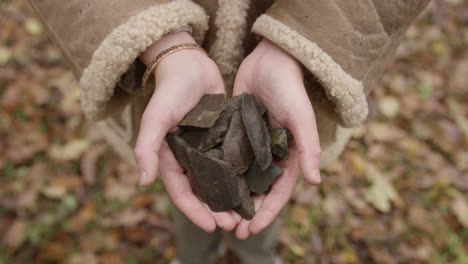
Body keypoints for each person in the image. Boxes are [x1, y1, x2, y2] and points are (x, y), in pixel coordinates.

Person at [29, 0, 431, 263]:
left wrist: (300, 46)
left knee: (260, 202)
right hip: (158, 79)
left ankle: (258, 254)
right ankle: (194, 257)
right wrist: (160, 43)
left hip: (296, 80)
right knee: (192, 195)